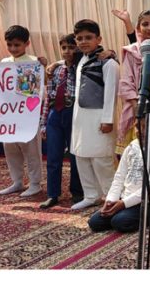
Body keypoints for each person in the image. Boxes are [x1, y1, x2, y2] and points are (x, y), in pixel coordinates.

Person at [88, 108, 150, 232]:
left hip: (148, 202)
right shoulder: (131, 147)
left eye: (146, 126)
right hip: (126, 200)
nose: (141, 131)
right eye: (138, 126)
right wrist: (111, 201)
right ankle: (121, 213)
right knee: (94, 222)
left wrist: (123, 204)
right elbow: (119, 177)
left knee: (119, 222)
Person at [70, 19, 119, 211]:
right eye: (79, 38)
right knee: (81, 155)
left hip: (99, 117)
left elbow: (111, 93)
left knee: (101, 159)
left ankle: (111, 196)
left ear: (98, 38)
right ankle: (91, 195)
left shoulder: (108, 62)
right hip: (80, 117)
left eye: (88, 38)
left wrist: (107, 119)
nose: (83, 41)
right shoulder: (81, 58)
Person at [0, 25, 45, 197]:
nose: (13, 48)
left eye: (17, 45)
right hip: (8, 115)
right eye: (10, 45)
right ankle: (17, 181)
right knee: (10, 148)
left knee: (31, 149)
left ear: (27, 43)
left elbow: (34, 92)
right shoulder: (3, 63)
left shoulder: (34, 62)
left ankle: (35, 183)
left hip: (27, 115)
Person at [114, 9, 150, 155]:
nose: (149, 28)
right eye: (145, 24)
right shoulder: (131, 50)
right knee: (135, 153)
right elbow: (126, 79)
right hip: (136, 108)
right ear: (138, 27)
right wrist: (136, 105)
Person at [39, 34, 83, 208]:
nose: (68, 51)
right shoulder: (55, 70)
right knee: (53, 156)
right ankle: (53, 194)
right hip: (54, 115)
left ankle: (77, 192)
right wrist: (43, 123)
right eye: (64, 48)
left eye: (72, 47)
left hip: (73, 113)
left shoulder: (81, 68)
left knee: (75, 155)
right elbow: (48, 97)